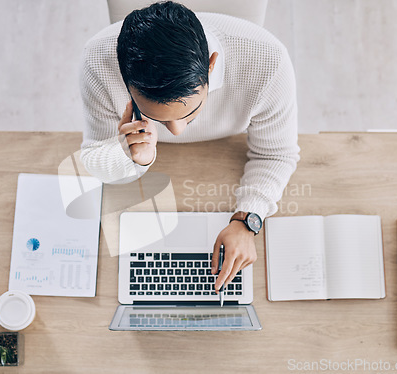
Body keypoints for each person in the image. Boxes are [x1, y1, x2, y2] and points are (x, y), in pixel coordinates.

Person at [79, 1, 300, 293]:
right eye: (157, 117)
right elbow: (95, 158)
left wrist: (248, 219)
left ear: (211, 64)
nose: (177, 131)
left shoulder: (269, 63)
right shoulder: (97, 63)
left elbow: (277, 153)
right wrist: (132, 158)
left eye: (189, 114)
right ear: (127, 84)